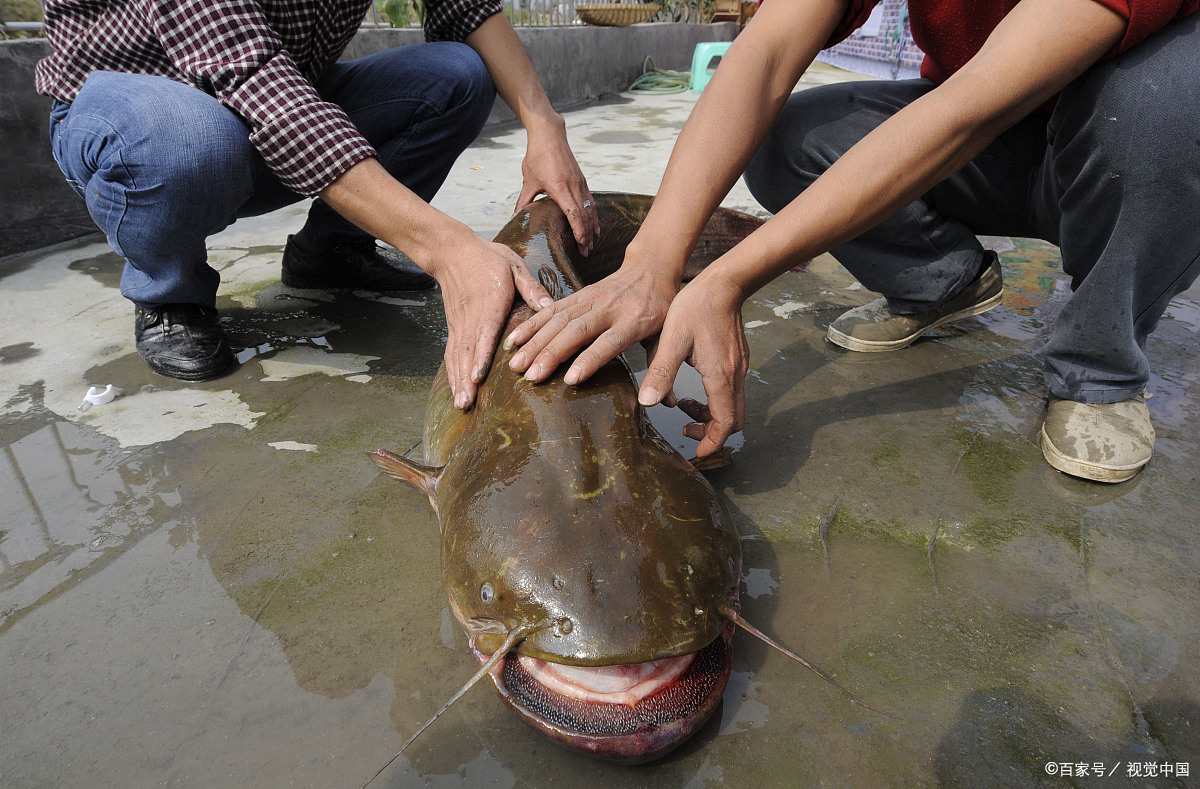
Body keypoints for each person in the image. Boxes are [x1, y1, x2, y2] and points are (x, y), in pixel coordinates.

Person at [504, 0, 1199, 484]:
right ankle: (941, 281)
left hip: (1120, 142)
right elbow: (768, 55)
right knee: (786, 137)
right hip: (993, 146)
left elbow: (973, 107)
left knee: (1165, 101)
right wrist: (653, 262)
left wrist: (724, 279)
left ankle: (1102, 362)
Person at [36, 0, 599, 409]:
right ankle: (170, 294)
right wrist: (445, 248)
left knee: (456, 76)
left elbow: (465, 6)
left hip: (279, 95)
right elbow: (253, 79)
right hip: (140, 116)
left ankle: (332, 248)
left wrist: (544, 125)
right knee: (191, 141)